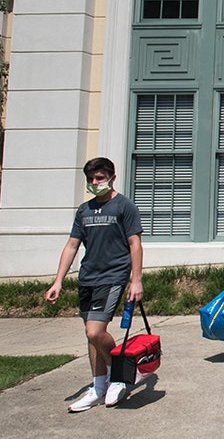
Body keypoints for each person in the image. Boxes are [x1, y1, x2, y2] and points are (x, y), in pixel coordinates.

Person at [45, 157, 143, 412]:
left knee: (94, 332)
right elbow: (72, 246)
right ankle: (98, 386)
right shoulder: (84, 210)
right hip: (88, 277)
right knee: (91, 336)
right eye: (91, 179)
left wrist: (136, 280)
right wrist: (58, 281)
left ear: (112, 177)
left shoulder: (124, 206)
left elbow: (135, 244)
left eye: (99, 178)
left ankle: (121, 373)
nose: (94, 183)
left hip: (113, 276)